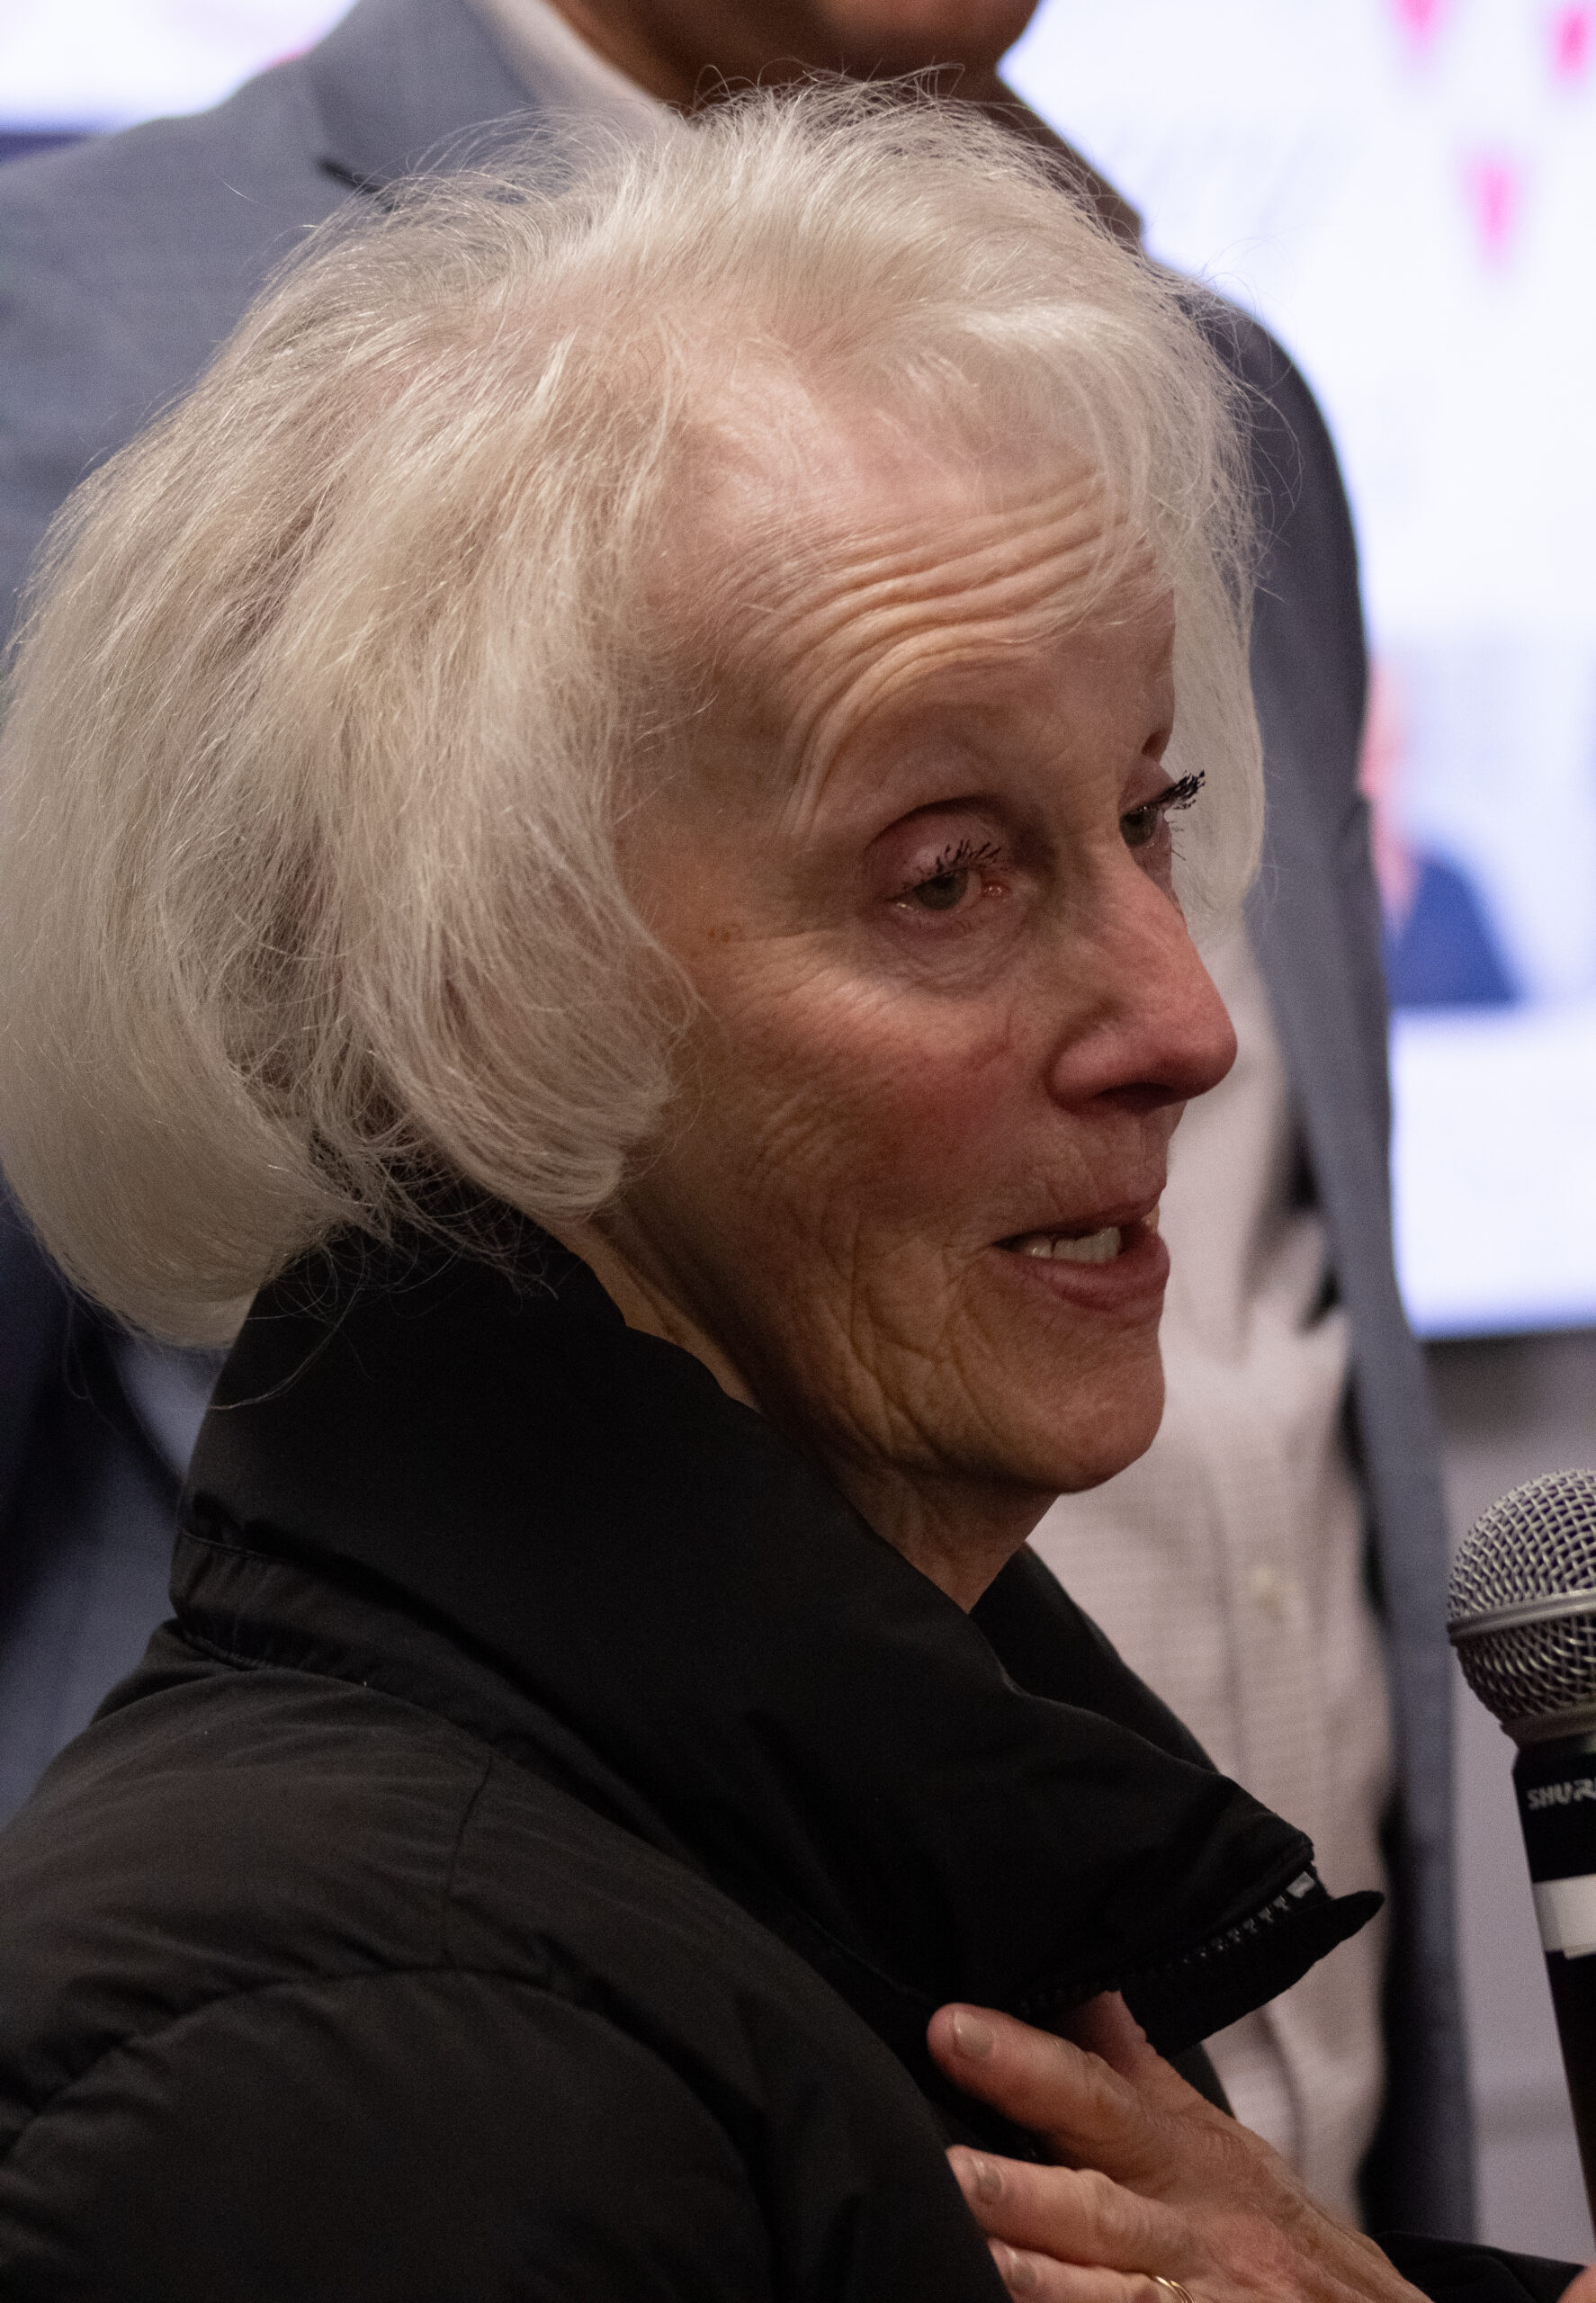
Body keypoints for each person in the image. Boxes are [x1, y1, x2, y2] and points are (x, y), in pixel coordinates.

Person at [0, 96, 1548, 2303]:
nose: (1180, 1017)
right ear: (493, 1002)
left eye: (1146, 815)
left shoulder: (876, 1838)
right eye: (946, 877)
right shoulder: (330, 2068)